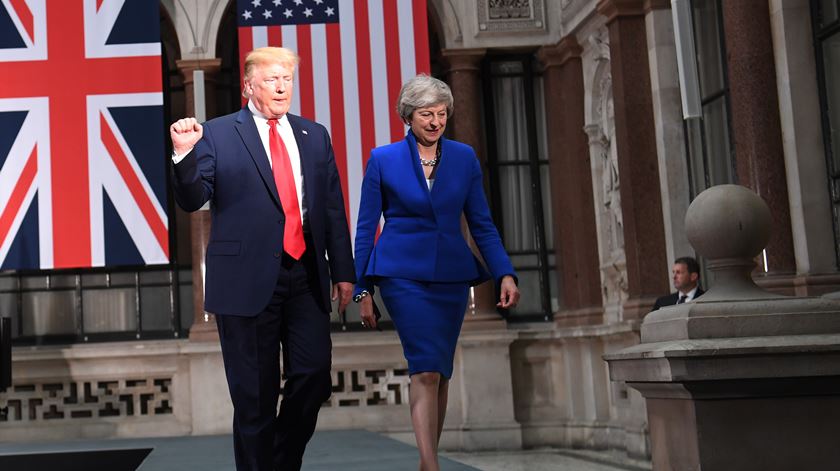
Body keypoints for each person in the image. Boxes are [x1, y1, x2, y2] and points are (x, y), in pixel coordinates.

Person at [169, 47, 354, 471]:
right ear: (249, 86)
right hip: (245, 281)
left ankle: (279, 462)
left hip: (305, 275)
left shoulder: (314, 134)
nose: (282, 86)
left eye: (287, 79)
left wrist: (343, 271)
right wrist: (184, 154)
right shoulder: (217, 133)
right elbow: (194, 198)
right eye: (272, 79)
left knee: (313, 376)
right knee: (254, 396)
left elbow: (331, 209)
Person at [353, 75, 520, 471]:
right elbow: (364, 227)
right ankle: (430, 465)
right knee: (425, 367)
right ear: (407, 117)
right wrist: (362, 289)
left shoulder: (464, 158)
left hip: (451, 278)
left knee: (440, 371)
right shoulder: (383, 159)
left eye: (442, 114)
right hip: (401, 276)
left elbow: (481, 223)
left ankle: (429, 459)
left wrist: (505, 273)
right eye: (427, 114)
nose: (435, 122)